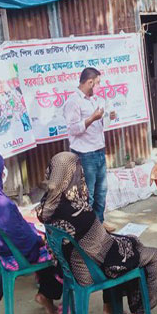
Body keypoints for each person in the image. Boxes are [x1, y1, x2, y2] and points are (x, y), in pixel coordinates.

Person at [37, 152, 157, 314]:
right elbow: (107, 251)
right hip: (86, 272)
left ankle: (110, 309)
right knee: (151, 256)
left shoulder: (46, 206)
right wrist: (131, 242)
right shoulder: (78, 210)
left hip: (68, 267)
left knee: (123, 244)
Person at [0, 151, 62, 314]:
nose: (4, 172)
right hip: (12, 255)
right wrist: (39, 236)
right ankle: (47, 295)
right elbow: (25, 239)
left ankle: (45, 292)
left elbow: (14, 230)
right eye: (1, 168)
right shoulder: (3, 205)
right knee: (56, 250)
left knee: (39, 237)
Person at [63, 67, 116, 226]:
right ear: (90, 82)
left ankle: (99, 222)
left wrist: (109, 116)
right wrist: (92, 118)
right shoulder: (73, 102)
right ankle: (89, 229)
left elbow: (101, 123)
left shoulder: (95, 99)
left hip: (99, 150)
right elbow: (72, 129)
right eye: (97, 83)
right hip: (85, 154)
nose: (99, 86)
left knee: (101, 192)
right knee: (88, 195)